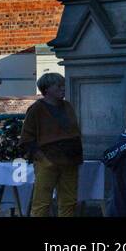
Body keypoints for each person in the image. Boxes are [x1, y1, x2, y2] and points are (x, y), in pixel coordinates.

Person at [19, 73, 83, 217]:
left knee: (69, 202)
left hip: (70, 161)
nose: (63, 88)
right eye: (58, 86)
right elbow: (26, 139)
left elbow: (74, 131)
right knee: (42, 203)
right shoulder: (36, 109)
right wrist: (43, 159)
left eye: (63, 85)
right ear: (47, 89)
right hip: (48, 161)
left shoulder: (68, 106)